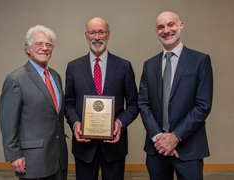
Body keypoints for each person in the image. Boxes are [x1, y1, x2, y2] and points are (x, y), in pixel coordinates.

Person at [138, 11, 213, 180]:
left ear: (181, 25)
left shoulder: (200, 61)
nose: (166, 30)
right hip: (156, 149)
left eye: (171, 24)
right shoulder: (149, 65)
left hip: (189, 148)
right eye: (160, 27)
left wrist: (175, 137)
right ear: (156, 31)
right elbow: (143, 104)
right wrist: (159, 138)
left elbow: (203, 105)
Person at [65, 17, 138, 180]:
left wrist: (119, 123)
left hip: (114, 146)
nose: (96, 37)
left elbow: (134, 104)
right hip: (84, 146)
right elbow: (68, 103)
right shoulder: (73, 67)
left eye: (101, 32)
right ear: (86, 35)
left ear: (108, 34)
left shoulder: (124, 66)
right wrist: (75, 122)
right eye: (92, 32)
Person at [0, 25, 68, 180]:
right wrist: (14, 155)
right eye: (39, 44)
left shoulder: (56, 76)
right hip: (33, 160)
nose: (44, 48)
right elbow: (8, 123)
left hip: (58, 158)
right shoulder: (16, 79)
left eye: (49, 45)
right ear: (28, 48)